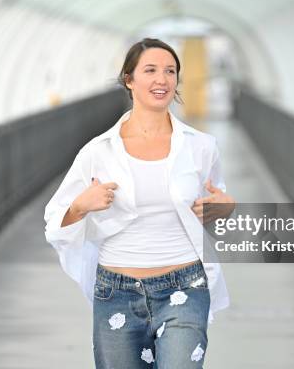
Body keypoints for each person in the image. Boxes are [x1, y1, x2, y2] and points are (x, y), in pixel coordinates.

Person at [44, 38, 235, 368]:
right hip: (116, 291)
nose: (161, 79)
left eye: (170, 71)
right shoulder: (98, 152)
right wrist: (80, 206)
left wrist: (227, 207)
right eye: (150, 70)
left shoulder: (201, 147)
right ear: (129, 79)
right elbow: (55, 221)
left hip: (185, 286)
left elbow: (215, 198)